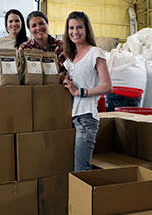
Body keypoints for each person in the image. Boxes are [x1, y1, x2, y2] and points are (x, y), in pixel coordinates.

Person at [62, 11, 112, 171]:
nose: (75, 32)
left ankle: (87, 196)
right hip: (71, 117)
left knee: (81, 169)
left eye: (79, 27)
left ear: (86, 29)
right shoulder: (71, 59)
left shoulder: (95, 53)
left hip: (86, 118)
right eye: (71, 28)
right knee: (70, 167)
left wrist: (80, 92)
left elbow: (107, 86)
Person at [19, 11, 66, 79]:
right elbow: (22, 74)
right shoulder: (25, 48)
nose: (38, 28)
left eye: (41, 23)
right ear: (29, 30)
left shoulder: (62, 46)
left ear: (47, 24)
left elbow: (69, 71)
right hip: (34, 87)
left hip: (59, 87)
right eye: (34, 26)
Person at [0, 9, 28, 82]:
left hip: (23, 87)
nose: (14, 24)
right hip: (1, 86)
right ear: (6, 24)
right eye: (10, 21)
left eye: (17, 21)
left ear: (22, 23)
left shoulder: (29, 42)